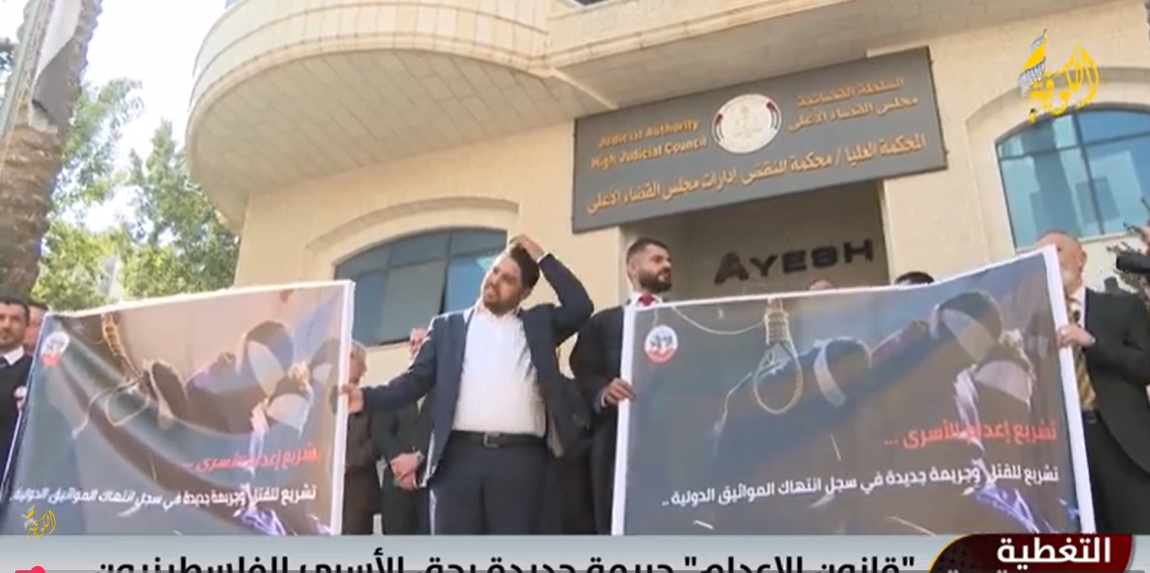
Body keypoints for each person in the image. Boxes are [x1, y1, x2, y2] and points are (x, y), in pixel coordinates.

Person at [341, 235, 593, 534]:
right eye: (495, 271)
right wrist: (366, 397)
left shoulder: (539, 325)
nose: (495, 280)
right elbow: (414, 381)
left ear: (524, 292)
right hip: (458, 460)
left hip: (520, 462)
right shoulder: (448, 328)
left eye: (508, 279)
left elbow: (580, 306)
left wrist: (542, 257)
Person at [1035, 230, 1150, 533]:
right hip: (1069, 451)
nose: (1050, 260)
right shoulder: (1033, 325)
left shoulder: (1123, 307)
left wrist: (1092, 343)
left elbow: (1146, 367)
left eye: (1057, 250)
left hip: (1126, 446)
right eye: (1041, 257)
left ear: (1081, 258)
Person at [570, 237, 672, 534]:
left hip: (674, 444)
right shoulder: (604, 324)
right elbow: (583, 370)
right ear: (632, 268)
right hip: (617, 444)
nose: (666, 265)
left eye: (669, 260)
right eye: (657, 259)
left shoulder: (685, 318)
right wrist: (603, 391)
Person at [373, 329, 432, 535]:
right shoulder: (395, 388)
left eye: (421, 342)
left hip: (431, 484)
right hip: (397, 485)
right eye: (412, 343)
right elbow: (380, 431)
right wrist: (400, 463)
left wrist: (418, 461)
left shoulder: (444, 389)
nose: (416, 347)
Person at [342, 342, 382, 534]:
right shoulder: (324, 406)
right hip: (325, 498)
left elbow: (377, 443)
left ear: (363, 367)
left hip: (357, 495)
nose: (345, 360)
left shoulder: (372, 403)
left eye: (351, 356)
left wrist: (346, 463)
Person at [0, 294, 31, 472]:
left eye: (15, 320)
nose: (6, 325)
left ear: (27, 326)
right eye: (1, 318)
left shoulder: (37, 373)